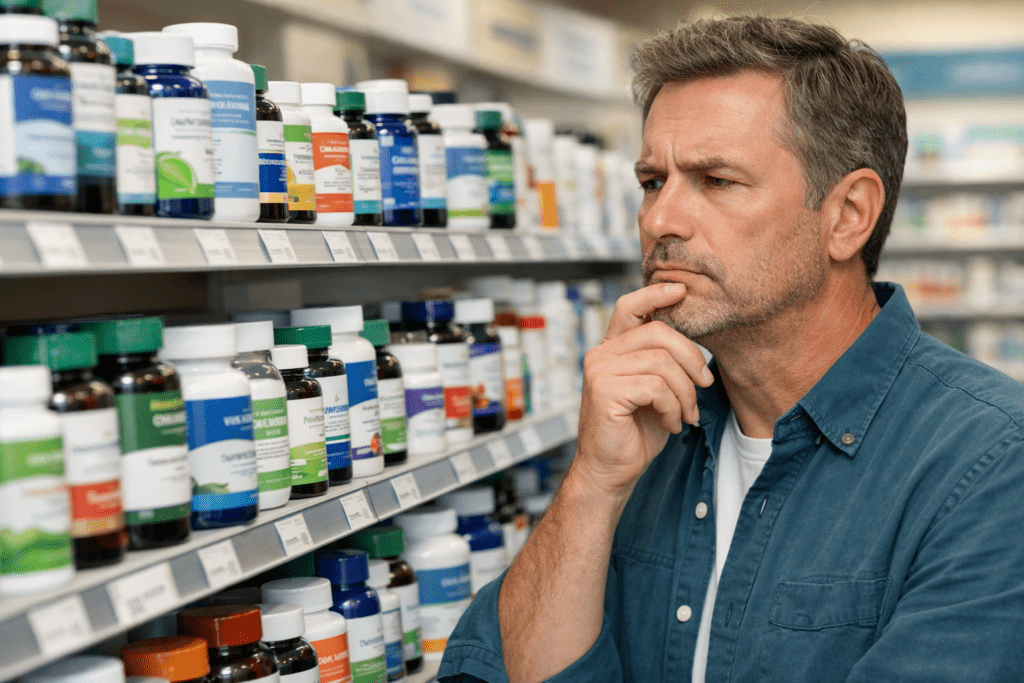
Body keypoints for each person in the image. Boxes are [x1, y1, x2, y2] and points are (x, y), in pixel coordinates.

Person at [437, 15, 1024, 683]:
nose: (660, 220)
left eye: (716, 181)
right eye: (653, 180)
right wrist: (593, 483)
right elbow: (489, 669)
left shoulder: (991, 466)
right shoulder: (646, 434)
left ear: (848, 215)